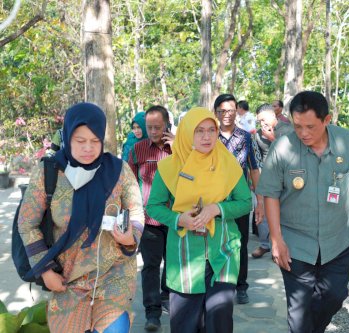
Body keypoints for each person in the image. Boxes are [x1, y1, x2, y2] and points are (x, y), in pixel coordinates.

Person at [18, 102, 145, 333]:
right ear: (67, 136)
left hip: (113, 273)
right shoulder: (48, 172)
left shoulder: (119, 171)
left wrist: (131, 237)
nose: (88, 148)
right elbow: (27, 223)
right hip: (67, 280)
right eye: (80, 141)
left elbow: (136, 211)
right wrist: (45, 270)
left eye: (95, 141)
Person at [256, 91, 349, 333]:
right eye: (298, 126)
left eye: (310, 127)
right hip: (295, 243)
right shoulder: (283, 147)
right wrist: (276, 239)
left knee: (335, 296)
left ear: (327, 119)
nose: (303, 133)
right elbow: (270, 195)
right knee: (298, 314)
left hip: (337, 240)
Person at [146, 107, 252, 333]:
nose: (207, 137)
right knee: (186, 324)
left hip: (223, 253)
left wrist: (217, 208)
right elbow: (153, 206)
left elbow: (245, 202)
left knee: (219, 323)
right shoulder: (168, 167)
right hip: (185, 258)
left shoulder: (228, 163)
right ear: (186, 134)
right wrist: (178, 219)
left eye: (211, 130)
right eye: (199, 131)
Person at [128, 105, 175, 331]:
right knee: (150, 266)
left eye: (158, 127)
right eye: (149, 127)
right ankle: (152, 312)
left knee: (173, 262)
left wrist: (179, 149)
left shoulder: (179, 148)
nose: (154, 131)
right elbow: (127, 184)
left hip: (176, 217)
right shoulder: (137, 150)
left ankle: (168, 296)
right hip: (149, 218)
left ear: (167, 124)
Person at [214, 93, 264, 304]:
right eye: (222, 111)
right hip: (213, 198)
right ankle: (218, 283)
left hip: (239, 199)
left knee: (241, 243)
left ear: (237, 112)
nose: (227, 115)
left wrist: (259, 201)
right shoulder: (209, 135)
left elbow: (254, 169)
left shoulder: (246, 137)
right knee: (215, 241)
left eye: (231, 110)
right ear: (215, 112)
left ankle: (241, 285)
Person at [251, 103, 292, 259]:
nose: (262, 124)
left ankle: (282, 245)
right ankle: (264, 244)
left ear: (273, 115)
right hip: (266, 175)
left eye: (264, 120)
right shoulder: (258, 134)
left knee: (283, 212)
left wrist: (272, 138)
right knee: (262, 209)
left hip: (285, 175)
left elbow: (289, 153)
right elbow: (257, 156)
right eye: (259, 121)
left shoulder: (288, 130)